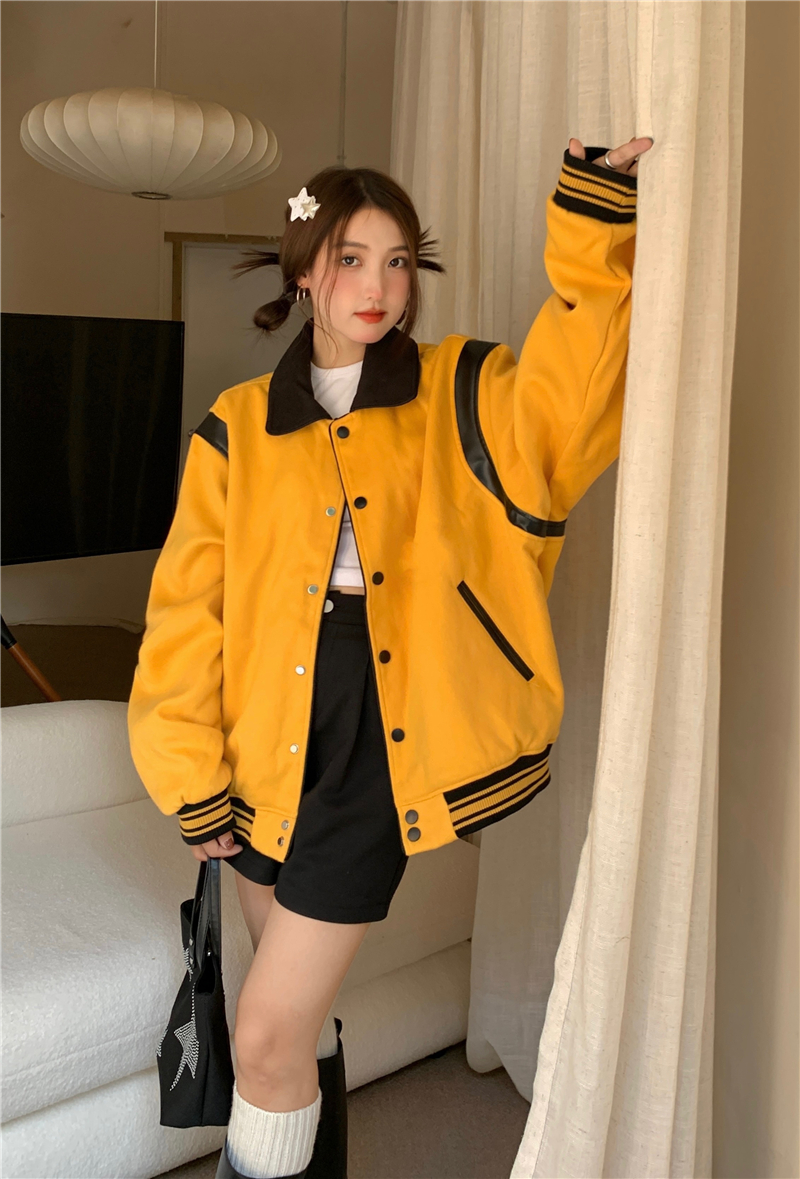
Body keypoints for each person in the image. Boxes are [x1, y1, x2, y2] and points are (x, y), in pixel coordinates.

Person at [127, 134, 653, 1179]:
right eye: (351, 259)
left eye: (398, 261)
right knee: (294, 1017)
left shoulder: (465, 390)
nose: (377, 287)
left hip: (383, 723)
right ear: (304, 268)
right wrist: (191, 775)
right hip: (263, 732)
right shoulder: (238, 426)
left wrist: (595, 216)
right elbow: (187, 615)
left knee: (265, 1036)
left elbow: (576, 395)